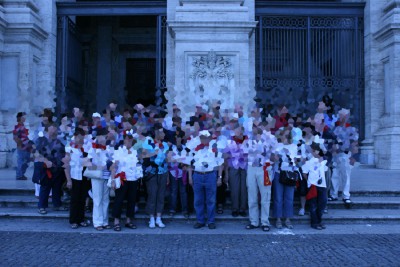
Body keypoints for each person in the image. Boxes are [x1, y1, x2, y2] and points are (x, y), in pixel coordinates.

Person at [187, 130, 224, 229]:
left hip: (210, 175)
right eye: (202, 137)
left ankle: (211, 221)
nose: (204, 139)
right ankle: (200, 220)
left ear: (209, 138)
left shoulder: (215, 147)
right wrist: (190, 176)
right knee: (198, 199)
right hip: (197, 175)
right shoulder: (194, 148)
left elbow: (220, 163)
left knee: (211, 199)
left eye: (205, 137)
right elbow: (189, 163)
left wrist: (219, 177)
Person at [244, 124, 278, 231]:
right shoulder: (248, 139)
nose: (256, 128)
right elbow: (245, 152)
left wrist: (270, 163)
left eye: (259, 125)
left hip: (264, 168)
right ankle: (254, 221)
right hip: (252, 168)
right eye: (254, 126)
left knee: (265, 196)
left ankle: (265, 222)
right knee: (252, 196)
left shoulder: (270, 139)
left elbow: (276, 154)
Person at [110, 131, 143, 231]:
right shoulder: (119, 151)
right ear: (124, 140)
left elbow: (137, 164)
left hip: (133, 179)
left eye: (130, 139)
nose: (128, 141)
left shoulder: (134, 151)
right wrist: (112, 180)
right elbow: (114, 166)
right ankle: (116, 221)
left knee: (132, 200)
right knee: (119, 200)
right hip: (122, 178)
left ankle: (129, 221)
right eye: (127, 139)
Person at [34, 123, 66, 214]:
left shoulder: (59, 141)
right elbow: (36, 153)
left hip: (58, 168)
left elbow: (64, 152)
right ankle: (42, 206)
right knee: (45, 188)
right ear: (48, 130)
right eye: (52, 129)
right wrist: (45, 161)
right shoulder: (41, 140)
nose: (54, 131)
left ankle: (57, 205)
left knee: (57, 188)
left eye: (55, 129)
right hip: (46, 169)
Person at [142, 126, 170, 228]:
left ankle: (159, 217)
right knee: (152, 194)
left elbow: (167, 160)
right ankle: (151, 218)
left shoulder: (166, 145)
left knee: (161, 195)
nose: (164, 134)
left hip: (163, 172)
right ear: (157, 133)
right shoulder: (148, 142)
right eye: (162, 132)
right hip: (152, 173)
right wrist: (154, 152)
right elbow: (143, 155)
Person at [64, 127, 91, 229]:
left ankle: (81, 219)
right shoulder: (69, 148)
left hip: (83, 177)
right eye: (79, 137)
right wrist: (69, 180)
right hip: (74, 177)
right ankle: (73, 220)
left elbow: (87, 163)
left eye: (82, 137)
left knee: (82, 199)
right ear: (75, 137)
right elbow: (66, 165)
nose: (81, 140)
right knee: (74, 200)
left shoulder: (84, 148)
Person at [87, 127, 112, 231]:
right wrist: (98, 167)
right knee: (97, 199)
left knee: (106, 199)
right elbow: (88, 163)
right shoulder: (92, 148)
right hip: (97, 176)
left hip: (106, 175)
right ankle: (97, 222)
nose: (105, 138)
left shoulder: (109, 147)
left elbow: (112, 160)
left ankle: (105, 221)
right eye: (104, 136)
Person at [302, 143, 328, 230]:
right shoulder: (309, 162)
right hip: (313, 185)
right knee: (313, 205)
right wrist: (310, 181)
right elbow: (304, 173)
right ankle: (314, 222)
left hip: (322, 185)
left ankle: (319, 221)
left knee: (322, 204)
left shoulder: (323, 161)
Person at [224, 125, 248, 217]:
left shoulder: (247, 141)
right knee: (234, 188)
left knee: (244, 188)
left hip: (245, 167)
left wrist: (236, 154)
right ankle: (235, 208)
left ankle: (243, 209)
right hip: (233, 166)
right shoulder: (230, 141)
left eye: (238, 131)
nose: (237, 133)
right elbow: (225, 155)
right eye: (235, 131)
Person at [13, 112, 31, 180]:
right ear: (19, 118)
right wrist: (19, 144)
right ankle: (19, 175)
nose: (24, 118)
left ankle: (21, 174)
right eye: (23, 117)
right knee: (21, 161)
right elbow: (15, 137)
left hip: (27, 147)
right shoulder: (18, 127)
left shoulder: (24, 126)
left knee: (26, 161)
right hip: (22, 147)